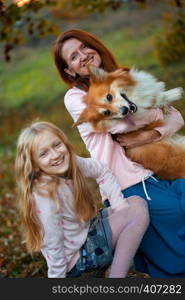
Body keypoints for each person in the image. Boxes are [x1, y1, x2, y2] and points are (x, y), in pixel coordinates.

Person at [53, 29, 185, 278]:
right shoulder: (76, 97)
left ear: (95, 45)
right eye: (73, 57)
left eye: (84, 48)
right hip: (128, 183)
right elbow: (121, 121)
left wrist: (151, 135)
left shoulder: (123, 75)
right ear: (69, 71)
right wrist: (158, 109)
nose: (82, 56)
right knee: (175, 245)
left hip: (160, 169)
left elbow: (177, 117)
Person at [15, 121, 149, 278]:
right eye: (43, 154)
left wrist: (120, 208)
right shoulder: (45, 196)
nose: (55, 155)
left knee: (136, 202)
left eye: (57, 145)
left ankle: (117, 266)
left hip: (86, 232)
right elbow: (52, 244)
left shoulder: (70, 163)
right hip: (80, 260)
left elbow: (102, 170)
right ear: (35, 164)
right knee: (137, 213)